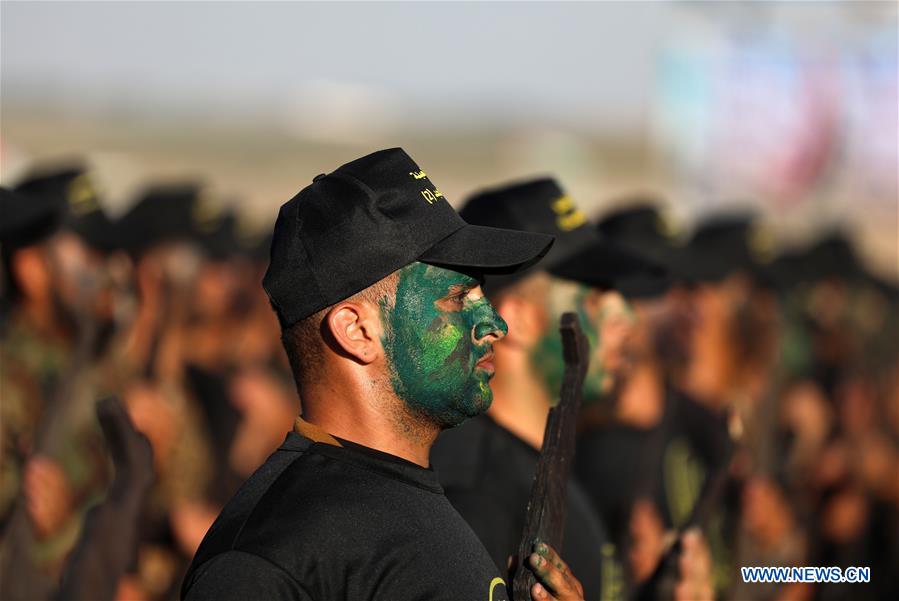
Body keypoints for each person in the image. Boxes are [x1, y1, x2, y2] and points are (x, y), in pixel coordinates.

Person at [181, 148, 585, 601]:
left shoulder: (418, 497)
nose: (495, 324)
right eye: (457, 299)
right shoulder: (269, 561)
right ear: (357, 331)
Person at [430, 178, 667, 601]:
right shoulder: (471, 500)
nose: (626, 321)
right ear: (516, 319)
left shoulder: (549, 464)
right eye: (594, 300)